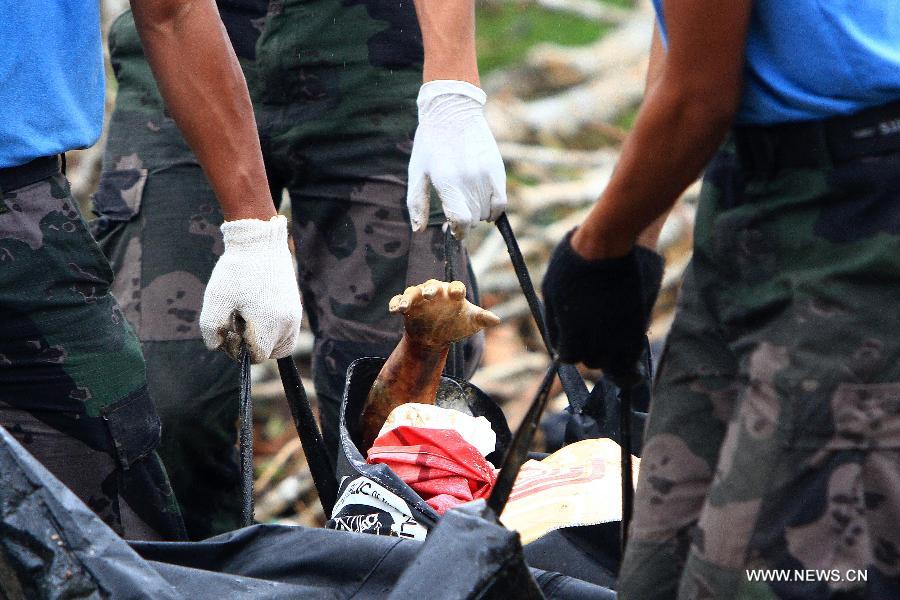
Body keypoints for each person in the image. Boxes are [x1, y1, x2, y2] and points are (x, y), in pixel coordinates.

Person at [92, 0, 507, 539]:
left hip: (373, 52)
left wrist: (452, 87)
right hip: (179, 59)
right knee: (159, 402)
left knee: (407, 417)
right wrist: (249, 231)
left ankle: (389, 577)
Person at [541, 1, 900, 597]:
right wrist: (633, 244)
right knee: (663, 563)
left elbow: (700, 97)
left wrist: (595, 250)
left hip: (857, 210)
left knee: (794, 571)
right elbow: (685, 42)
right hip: (743, 192)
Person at [0, 0, 302, 540]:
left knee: (115, 538)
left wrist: (254, 232)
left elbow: (173, 9)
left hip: (18, 214)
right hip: (22, 219)